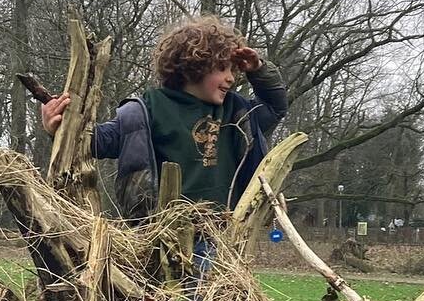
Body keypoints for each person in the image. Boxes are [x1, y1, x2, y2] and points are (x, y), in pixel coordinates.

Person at [41, 15, 288, 224]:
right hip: (162, 234)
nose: (231, 78)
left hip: (223, 232)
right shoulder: (147, 109)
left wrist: (259, 70)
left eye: (233, 71)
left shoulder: (237, 112)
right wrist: (59, 128)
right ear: (195, 65)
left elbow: (275, 108)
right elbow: (99, 141)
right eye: (222, 68)